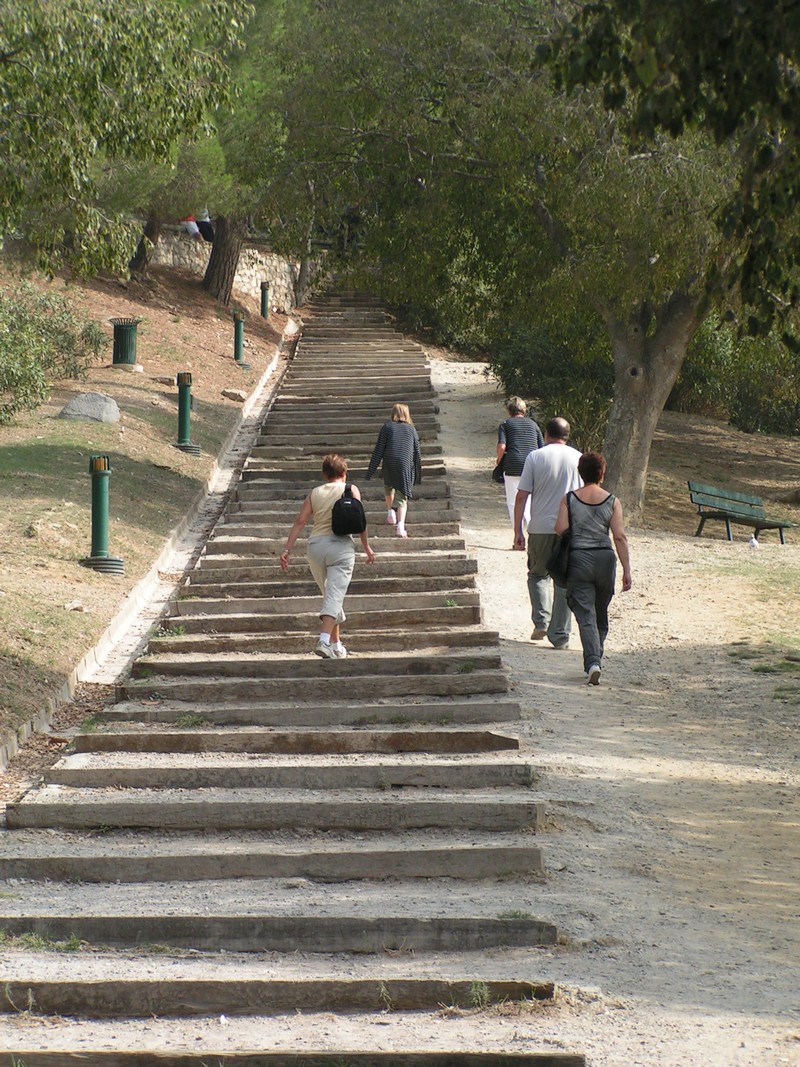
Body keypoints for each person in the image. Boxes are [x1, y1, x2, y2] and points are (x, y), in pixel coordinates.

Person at [280, 454, 375, 658]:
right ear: (344, 473)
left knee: (331, 595)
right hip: (340, 547)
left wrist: (287, 549)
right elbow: (360, 519)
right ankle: (323, 640)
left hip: (315, 547)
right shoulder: (350, 489)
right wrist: (366, 547)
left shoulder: (314, 493)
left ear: (324, 474)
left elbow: (300, 521)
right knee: (333, 595)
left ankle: (336, 645)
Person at [555, 451, 632, 685]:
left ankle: (593, 662)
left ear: (580, 473)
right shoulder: (613, 501)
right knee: (600, 612)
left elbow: (560, 529)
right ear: (602, 473)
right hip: (605, 560)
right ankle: (595, 658)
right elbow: (619, 536)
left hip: (579, 559)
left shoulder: (569, 499)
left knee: (585, 614)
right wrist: (627, 570)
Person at [514, 416, 582, 648]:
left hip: (540, 527)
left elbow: (522, 495)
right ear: (567, 435)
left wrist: (518, 530)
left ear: (546, 434)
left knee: (537, 574)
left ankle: (542, 621)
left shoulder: (535, 456)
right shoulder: (578, 458)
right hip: (570, 529)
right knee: (565, 580)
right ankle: (560, 635)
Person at [365, 402, 421, 538]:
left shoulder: (387, 427)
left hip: (389, 462)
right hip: (405, 464)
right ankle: (400, 526)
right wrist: (417, 474)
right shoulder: (411, 429)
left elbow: (378, 451)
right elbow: (417, 452)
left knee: (389, 487)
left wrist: (370, 471)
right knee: (402, 496)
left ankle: (390, 513)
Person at [496, 396, 543, 542]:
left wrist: (498, 461)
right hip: (532, 464)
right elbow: (542, 448)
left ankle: (518, 535)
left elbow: (502, 446)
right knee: (529, 501)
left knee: (513, 502)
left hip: (513, 464)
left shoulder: (505, 424)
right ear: (524, 410)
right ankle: (532, 535)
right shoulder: (534, 425)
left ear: (509, 411)